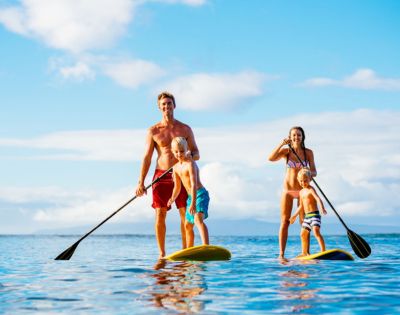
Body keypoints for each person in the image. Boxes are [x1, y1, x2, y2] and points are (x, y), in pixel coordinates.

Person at [135, 92, 200, 258]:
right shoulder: (153, 131)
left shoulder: (185, 129)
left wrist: (188, 157)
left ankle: (186, 251)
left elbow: (196, 152)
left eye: (169, 103)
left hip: (181, 174)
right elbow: (147, 157)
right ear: (159, 107)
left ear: (174, 106)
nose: (166, 107)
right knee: (160, 214)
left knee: (185, 214)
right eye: (163, 104)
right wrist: (140, 182)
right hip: (161, 176)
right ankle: (162, 254)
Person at [268, 126, 317, 259]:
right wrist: (281, 144)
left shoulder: (308, 153)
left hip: (303, 191)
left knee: (304, 222)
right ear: (290, 137)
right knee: (285, 221)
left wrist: (308, 173)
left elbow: (314, 172)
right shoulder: (287, 152)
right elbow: (271, 158)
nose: (296, 137)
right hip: (288, 191)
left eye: (299, 135)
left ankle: (305, 253)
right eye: (294, 135)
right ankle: (282, 255)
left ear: (303, 137)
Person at [167, 137, 209, 247]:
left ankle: (206, 246)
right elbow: (177, 187)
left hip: (199, 194)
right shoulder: (175, 168)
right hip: (191, 197)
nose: (179, 154)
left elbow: (194, 184)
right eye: (176, 151)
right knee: (187, 225)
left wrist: (194, 203)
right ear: (172, 151)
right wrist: (172, 198)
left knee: (197, 219)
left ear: (187, 150)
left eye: (182, 151)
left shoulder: (190, 164)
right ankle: (189, 249)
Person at [290, 168, 327, 256]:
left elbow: (318, 198)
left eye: (305, 180)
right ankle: (304, 252)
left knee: (316, 231)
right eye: (301, 181)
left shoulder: (311, 189)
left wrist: (322, 208)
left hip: (314, 215)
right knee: (303, 234)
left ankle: (323, 251)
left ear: (310, 179)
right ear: (299, 181)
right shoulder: (301, 192)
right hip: (307, 217)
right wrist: (294, 216)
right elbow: (301, 206)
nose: (303, 183)